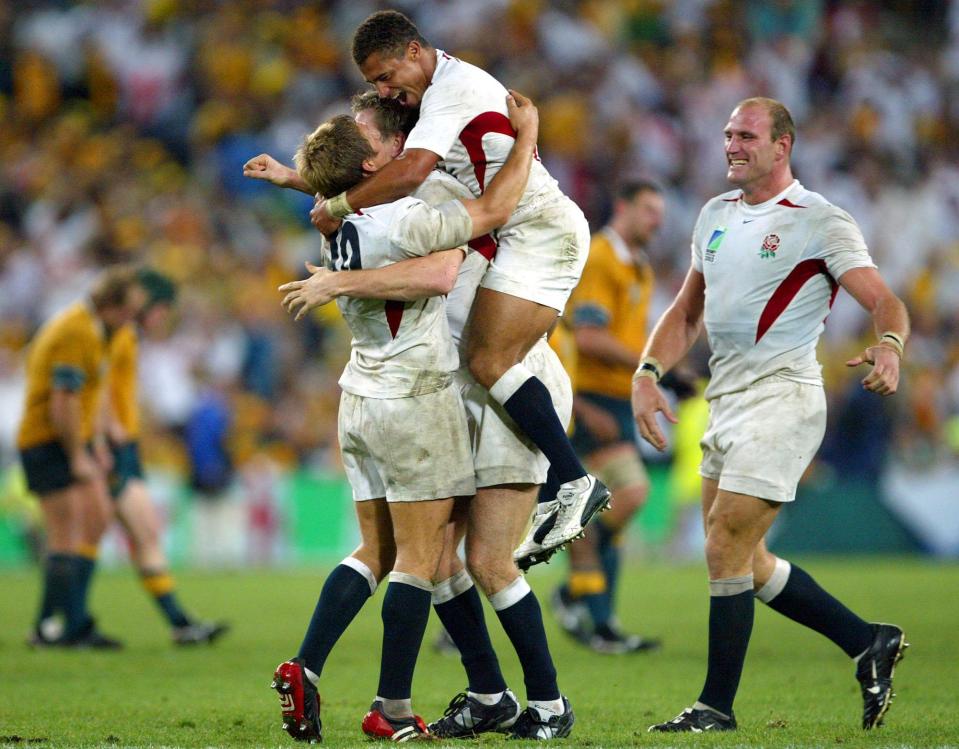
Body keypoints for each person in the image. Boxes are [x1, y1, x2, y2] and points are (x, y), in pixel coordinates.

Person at [280, 102, 577, 742]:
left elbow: (490, 216)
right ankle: (481, 695)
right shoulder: (406, 208)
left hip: (486, 381)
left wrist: (306, 204)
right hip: (426, 389)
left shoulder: (384, 201)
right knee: (431, 558)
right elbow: (446, 255)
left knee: (482, 560)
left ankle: (547, 704)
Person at [631, 97, 910, 732]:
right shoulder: (714, 214)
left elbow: (885, 300)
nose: (731, 143)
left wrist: (890, 348)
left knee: (726, 543)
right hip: (724, 400)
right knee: (740, 557)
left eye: (746, 135)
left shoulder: (820, 221)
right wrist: (647, 374)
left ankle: (714, 708)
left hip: (784, 397)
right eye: (728, 133)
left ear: (782, 146)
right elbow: (684, 312)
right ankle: (868, 641)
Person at [306, 10, 609, 562]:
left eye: (384, 75)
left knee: (490, 356)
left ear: (415, 51)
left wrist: (342, 203)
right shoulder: (428, 97)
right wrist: (301, 179)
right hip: (508, 229)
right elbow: (380, 167)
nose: (382, 89)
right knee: (486, 355)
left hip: (538, 227)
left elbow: (411, 169)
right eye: (373, 82)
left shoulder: (453, 88)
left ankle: (572, 480)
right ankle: (547, 485)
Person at [550, 181, 665, 654]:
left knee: (604, 508)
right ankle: (583, 592)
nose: (656, 220)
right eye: (647, 210)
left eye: (660, 212)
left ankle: (594, 609)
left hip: (618, 397)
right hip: (591, 397)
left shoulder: (640, 267)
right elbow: (591, 337)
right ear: (621, 206)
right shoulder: (600, 258)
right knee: (627, 495)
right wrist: (646, 361)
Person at [19, 265, 147, 648]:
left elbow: (96, 392)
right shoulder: (76, 332)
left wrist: (99, 445)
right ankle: (54, 627)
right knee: (65, 534)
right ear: (110, 305)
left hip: (72, 440)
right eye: (127, 311)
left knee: (96, 518)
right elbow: (64, 402)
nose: (130, 321)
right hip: (49, 441)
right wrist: (77, 454)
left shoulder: (96, 331)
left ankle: (66, 623)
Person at [104, 268, 229, 645]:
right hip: (108, 447)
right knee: (84, 537)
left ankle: (180, 623)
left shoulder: (133, 341)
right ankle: (55, 625)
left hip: (118, 446)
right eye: (162, 309)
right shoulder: (121, 340)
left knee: (140, 532)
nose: (164, 318)